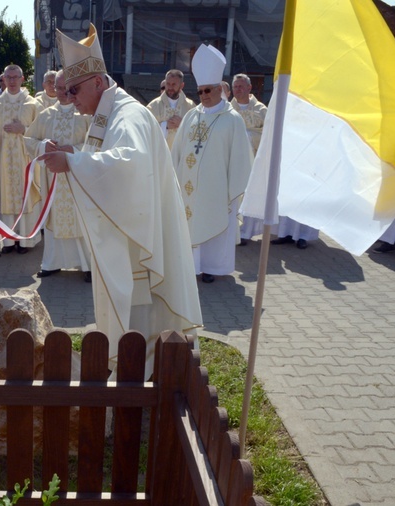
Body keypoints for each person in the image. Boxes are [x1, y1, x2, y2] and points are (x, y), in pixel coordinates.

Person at [39, 24, 202, 378]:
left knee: (140, 323)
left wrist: (72, 162)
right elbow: (107, 158)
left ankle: (137, 385)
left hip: (137, 249)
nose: (69, 97)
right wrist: (76, 153)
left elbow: (128, 165)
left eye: (75, 89)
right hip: (133, 236)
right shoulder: (109, 113)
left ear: (98, 83)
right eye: (67, 90)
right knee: (138, 326)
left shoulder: (126, 115)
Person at [169, 44, 252, 283]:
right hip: (187, 188)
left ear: (219, 90)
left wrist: (233, 191)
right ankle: (191, 267)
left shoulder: (232, 119)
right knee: (189, 225)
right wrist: (173, 177)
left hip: (216, 190)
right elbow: (177, 151)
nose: (203, 95)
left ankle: (213, 268)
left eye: (208, 90)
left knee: (214, 226)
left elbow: (240, 158)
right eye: (200, 91)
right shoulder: (192, 115)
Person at [25, 70, 92, 281]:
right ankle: (52, 262)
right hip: (53, 179)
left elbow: (98, 143)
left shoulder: (86, 115)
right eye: (59, 88)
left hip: (78, 177)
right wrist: (44, 145)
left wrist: (74, 150)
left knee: (81, 219)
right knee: (54, 218)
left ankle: (88, 265)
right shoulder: (45, 115)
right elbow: (28, 140)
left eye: (67, 88)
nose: (62, 92)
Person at [0, 64, 40, 254]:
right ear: (3, 79)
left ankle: (25, 240)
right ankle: (7, 240)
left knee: (24, 197)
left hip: (24, 159)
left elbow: (40, 133)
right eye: (8, 77)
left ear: (22, 78)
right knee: (6, 198)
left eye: (15, 77)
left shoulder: (32, 104)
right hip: (3, 160)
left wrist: (24, 130)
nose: (11, 81)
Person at [230, 74, 268, 245]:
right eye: (235, 87)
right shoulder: (227, 109)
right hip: (233, 160)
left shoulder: (261, 110)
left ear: (249, 88)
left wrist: (247, 136)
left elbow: (268, 135)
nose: (238, 90)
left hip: (255, 161)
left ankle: (246, 232)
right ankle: (234, 230)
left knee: (249, 195)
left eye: (241, 86)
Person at [146, 69, 195, 150]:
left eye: (174, 84)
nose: (170, 87)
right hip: (161, 153)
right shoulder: (154, 106)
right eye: (168, 84)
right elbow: (145, 128)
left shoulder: (190, 106)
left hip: (182, 153)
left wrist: (183, 124)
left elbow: (197, 130)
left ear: (181, 86)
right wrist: (165, 126)